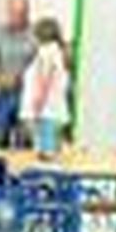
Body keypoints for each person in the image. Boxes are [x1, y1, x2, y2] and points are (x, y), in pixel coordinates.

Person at [20, 17, 71, 160]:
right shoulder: (58, 53)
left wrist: (37, 104)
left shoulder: (47, 52)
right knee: (51, 150)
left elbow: (44, 79)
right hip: (52, 110)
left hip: (45, 112)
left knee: (45, 153)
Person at [0, 0, 35, 150]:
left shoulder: (34, 34)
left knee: (25, 141)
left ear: (27, 13)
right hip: (4, 93)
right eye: (13, 12)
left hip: (26, 95)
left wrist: (21, 78)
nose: (16, 17)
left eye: (21, 13)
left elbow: (39, 65)